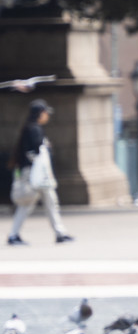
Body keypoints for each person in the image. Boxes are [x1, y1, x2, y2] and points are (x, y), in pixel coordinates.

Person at [8, 99, 73, 245]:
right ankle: (59, 233)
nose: (47, 116)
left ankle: (15, 234)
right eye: (45, 113)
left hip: (33, 174)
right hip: (37, 176)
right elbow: (36, 152)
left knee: (31, 204)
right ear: (40, 113)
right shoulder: (34, 129)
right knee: (47, 203)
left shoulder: (28, 128)